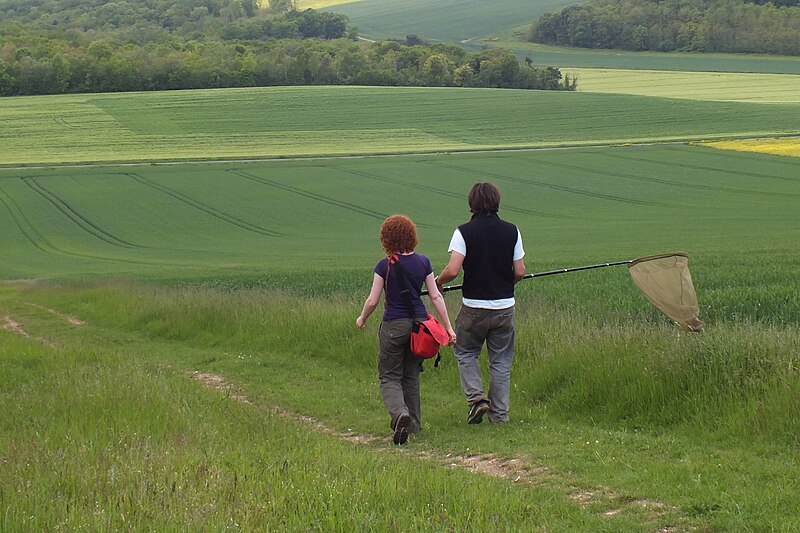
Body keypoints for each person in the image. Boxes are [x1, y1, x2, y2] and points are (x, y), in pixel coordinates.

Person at [357, 214, 456, 445]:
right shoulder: (423, 262)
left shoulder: (384, 266)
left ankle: (400, 413)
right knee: (411, 375)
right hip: (419, 326)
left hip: (393, 325)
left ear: (386, 239)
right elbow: (435, 296)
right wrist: (449, 328)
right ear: (412, 236)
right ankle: (414, 425)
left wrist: (362, 318)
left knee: (390, 375)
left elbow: (373, 300)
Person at [436, 182, 525, 425]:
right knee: (501, 361)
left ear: (471, 204)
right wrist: (507, 284)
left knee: (465, 352)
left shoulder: (463, 232)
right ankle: (499, 416)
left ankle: (477, 399)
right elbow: (520, 271)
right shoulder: (512, 231)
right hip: (505, 307)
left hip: (473, 307)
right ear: (497, 202)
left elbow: (453, 270)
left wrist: (437, 282)